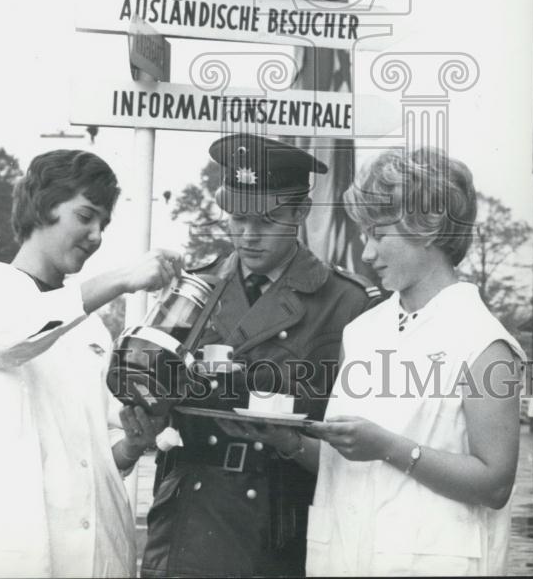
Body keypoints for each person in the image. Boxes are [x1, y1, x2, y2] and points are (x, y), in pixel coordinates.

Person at [140, 133, 381, 579]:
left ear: (300, 213)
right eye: (237, 218)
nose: (248, 236)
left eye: (267, 221)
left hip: (278, 525)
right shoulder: (196, 290)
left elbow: (363, 441)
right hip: (187, 518)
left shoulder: (347, 303)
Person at [0, 149, 182, 579]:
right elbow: (12, 338)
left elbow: (99, 450)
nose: (96, 235)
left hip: (100, 556)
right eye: (86, 216)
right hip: (19, 555)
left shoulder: (91, 330)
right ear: (41, 207)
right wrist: (122, 278)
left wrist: (131, 443)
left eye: (104, 224)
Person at [301, 147, 526, 577]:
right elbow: (347, 461)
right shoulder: (361, 332)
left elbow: (495, 484)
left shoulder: (484, 342)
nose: (366, 253)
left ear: (429, 229)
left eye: (378, 235)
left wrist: (388, 447)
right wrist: (289, 441)